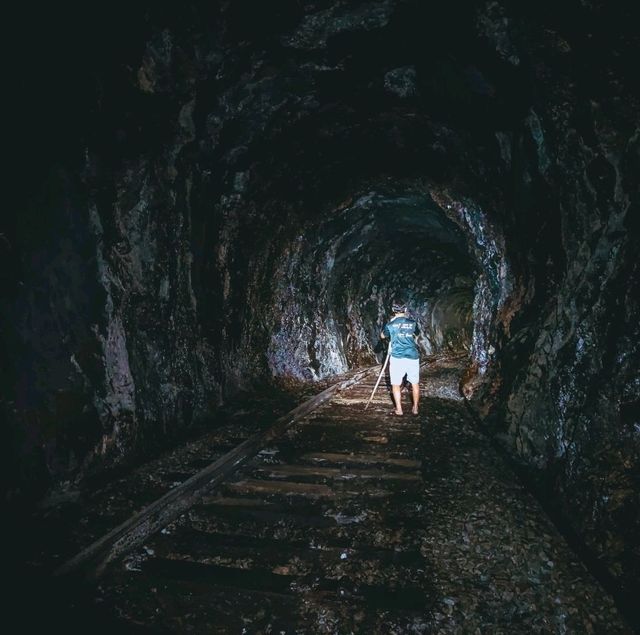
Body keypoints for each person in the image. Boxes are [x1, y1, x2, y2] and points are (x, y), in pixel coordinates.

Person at [380, 301, 420, 416]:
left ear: (393, 310)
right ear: (405, 310)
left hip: (397, 357)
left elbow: (383, 336)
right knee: (415, 383)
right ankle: (415, 408)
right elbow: (417, 334)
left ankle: (399, 409)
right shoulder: (412, 323)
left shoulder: (390, 325)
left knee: (396, 384)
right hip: (412, 356)